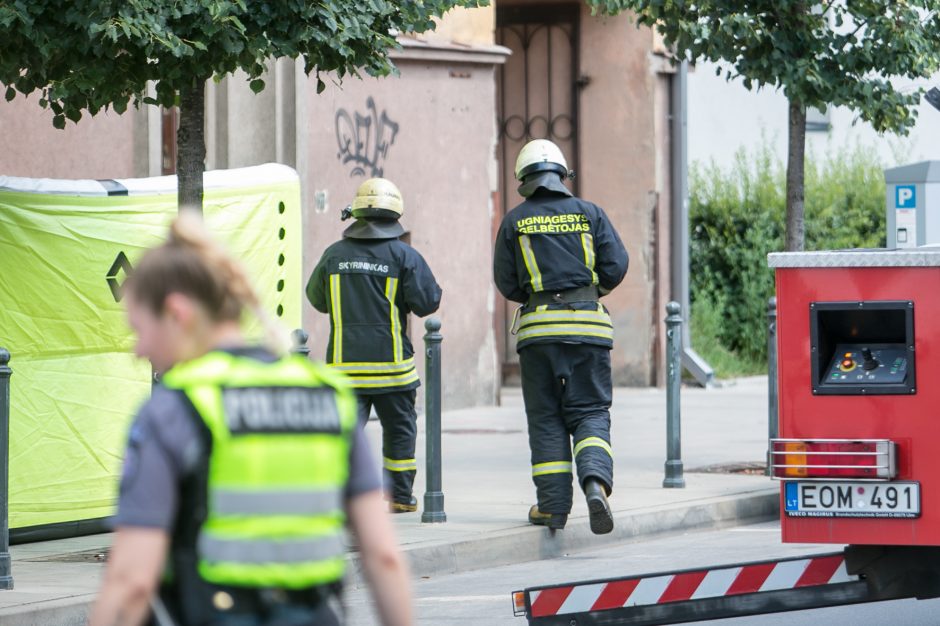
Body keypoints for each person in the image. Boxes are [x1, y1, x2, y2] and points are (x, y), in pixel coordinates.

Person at [89, 213, 413, 626]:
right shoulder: (326, 396)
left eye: (140, 328)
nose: (139, 349)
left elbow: (132, 582)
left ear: (177, 313)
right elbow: (383, 556)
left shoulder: (175, 409)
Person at [493, 139, 629, 535]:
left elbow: (506, 282)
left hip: (538, 334)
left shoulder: (515, 221)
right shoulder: (590, 214)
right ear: (562, 176)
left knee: (547, 418)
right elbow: (616, 265)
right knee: (589, 412)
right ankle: (595, 483)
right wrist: (586, 293)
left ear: (524, 179)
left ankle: (552, 508)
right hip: (588, 330)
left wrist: (539, 294)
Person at [306, 178, 442, 514]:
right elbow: (428, 302)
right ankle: (398, 496)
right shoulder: (404, 255)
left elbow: (316, 299)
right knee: (399, 430)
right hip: (392, 369)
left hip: (345, 370)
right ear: (395, 214)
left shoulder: (333, 255)